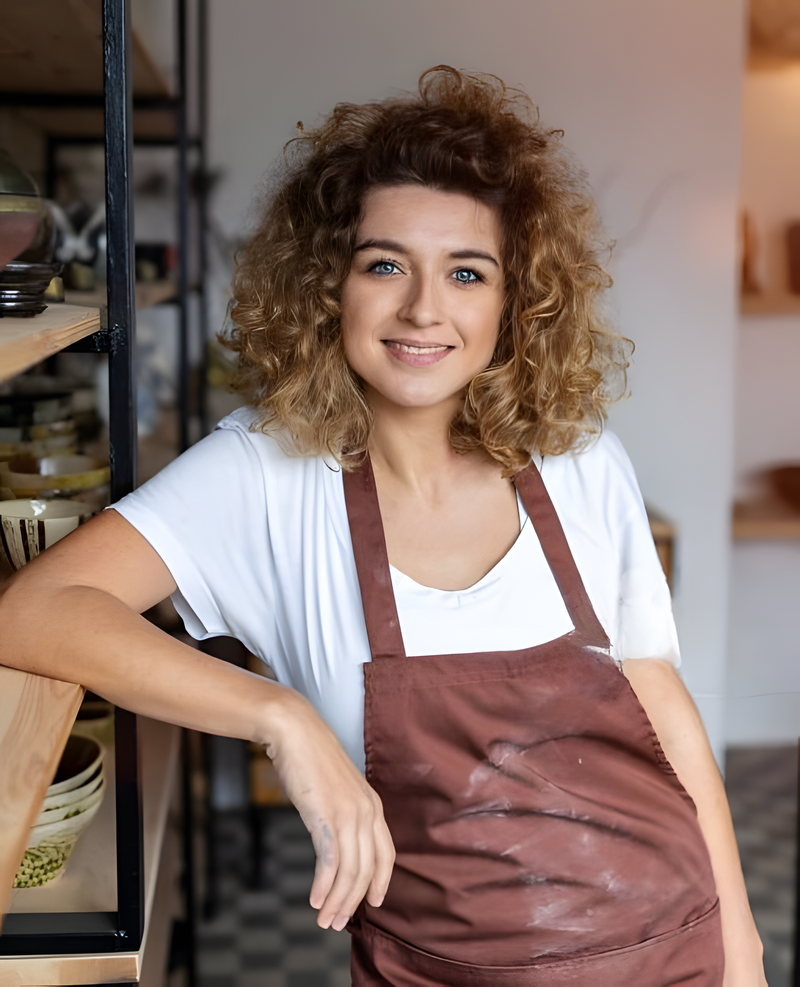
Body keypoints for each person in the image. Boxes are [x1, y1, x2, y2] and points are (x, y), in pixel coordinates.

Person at [0, 67, 766, 986]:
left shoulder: (578, 458)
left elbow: (659, 701)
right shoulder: (264, 474)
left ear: (512, 303)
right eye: (386, 263)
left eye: (467, 272)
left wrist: (742, 940)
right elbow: (34, 608)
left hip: (672, 942)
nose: (423, 309)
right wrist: (277, 716)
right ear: (332, 285)